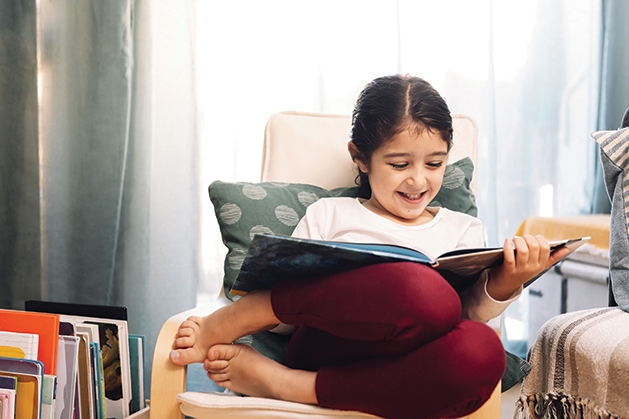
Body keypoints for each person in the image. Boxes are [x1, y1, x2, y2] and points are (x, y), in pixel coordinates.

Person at [170, 74, 569, 419]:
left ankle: (288, 385)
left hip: (408, 368)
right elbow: (292, 322)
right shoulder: (331, 215)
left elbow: (464, 323)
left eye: (434, 164)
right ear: (360, 158)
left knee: (482, 352)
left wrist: (504, 282)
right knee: (425, 292)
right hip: (329, 346)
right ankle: (243, 313)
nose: (418, 181)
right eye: (399, 164)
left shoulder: (464, 228)